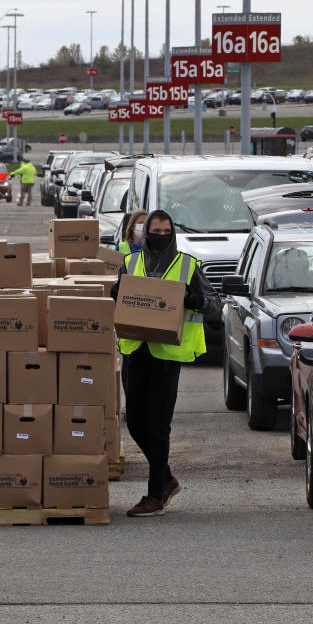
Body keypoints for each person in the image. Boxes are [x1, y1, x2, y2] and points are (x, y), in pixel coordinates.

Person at [110, 210, 220, 517]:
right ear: (145, 234)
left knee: (158, 427)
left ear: (172, 232)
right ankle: (166, 477)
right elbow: (120, 297)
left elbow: (215, 305)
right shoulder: (131, 263)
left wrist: (194, 299)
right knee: (134, 422)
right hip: (135, 349)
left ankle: (154, 493)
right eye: (155, 230)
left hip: (167, 357)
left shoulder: (187, 265)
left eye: (166, 230)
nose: (161, 235)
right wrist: (115, 293)